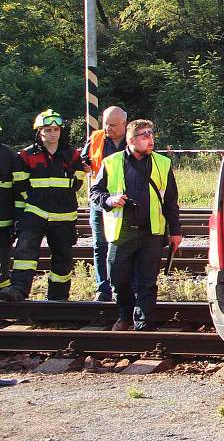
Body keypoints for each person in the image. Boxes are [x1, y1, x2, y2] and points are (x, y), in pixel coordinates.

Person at [90, 120, 181, 331]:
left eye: (151, 134)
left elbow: (170, 202)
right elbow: (95, 193)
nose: (150, 139)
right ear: (131, 140)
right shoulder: (111, 162)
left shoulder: (163, 163)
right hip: (122, 232)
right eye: (144, 135)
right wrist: (110, 200)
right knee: (118, 279)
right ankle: (125, 315)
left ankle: (143, 324)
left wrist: (175, 231)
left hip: (152, 232)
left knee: (147, 282)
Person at [0, 110, 85, 302]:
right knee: (25, 252)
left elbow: (77, 184)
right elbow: (20, 186)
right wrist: (22, 213)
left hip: (64, 216)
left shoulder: (72, 156)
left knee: (62, 259)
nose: (53, 133)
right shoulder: (26, 156)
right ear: (40, 132)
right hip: (34, 212)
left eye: (56, 129)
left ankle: (58, 299)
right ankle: (18, 290)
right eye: (48, 130)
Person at [81, 106, 127, 301]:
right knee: (100, 245)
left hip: (124, 202)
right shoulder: (96, 138)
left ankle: (123, 288)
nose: (108, 128)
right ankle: (103, 289)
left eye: (113, 125)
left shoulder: (133, 138)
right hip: (99, 200)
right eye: (105, 123)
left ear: (124, 124)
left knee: (123, 245)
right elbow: (83, 161)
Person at [0, 132, 15, 291]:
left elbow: (18, 186)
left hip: (3, 218)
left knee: (3, 252)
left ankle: (3, 286)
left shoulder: (8, 154)